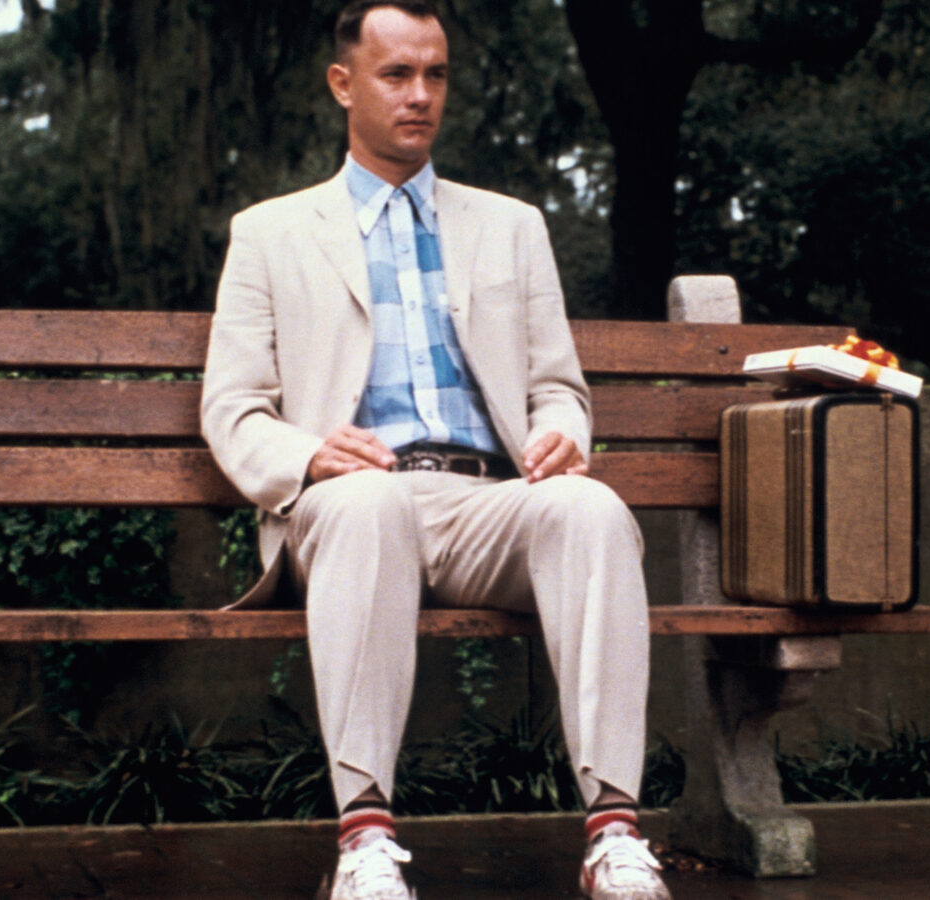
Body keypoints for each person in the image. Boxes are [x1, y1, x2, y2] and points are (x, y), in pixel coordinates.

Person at [200, 3, 670, 898]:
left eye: (436, 75)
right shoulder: (271, 232)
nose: (420, 96)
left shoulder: (511, 226)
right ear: (344, 84)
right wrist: (306, 454)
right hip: (352, 499)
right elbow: (233, 410)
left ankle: (614, 832)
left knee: (592, 507)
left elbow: (558, 387)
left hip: (490, 501)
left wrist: (562, 431)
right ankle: (366, 840)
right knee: (371, 501)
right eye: (396, 75)